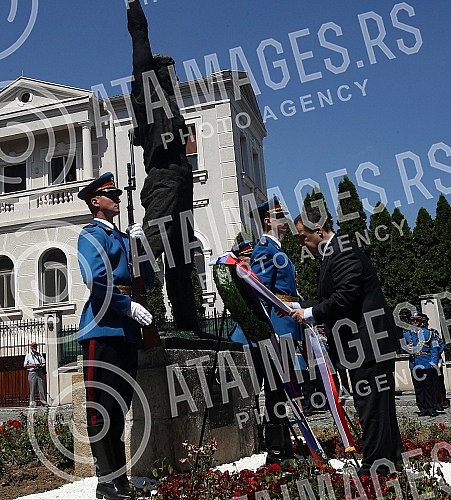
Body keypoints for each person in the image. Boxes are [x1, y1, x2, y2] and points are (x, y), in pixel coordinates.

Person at [290, 206, 403, 477]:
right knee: (380, 406)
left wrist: (307, 313)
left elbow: (344, 298)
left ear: (318, 231)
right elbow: (330, 298)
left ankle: (375, 468)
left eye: (302, 237)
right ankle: (392, 458)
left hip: (368, 342)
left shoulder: (342, 252)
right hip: (366, 343)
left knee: (372, 406)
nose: (301, 244)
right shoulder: (333, 254)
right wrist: (294, 304)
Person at [77, 172, 153, 500]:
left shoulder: (123, 238)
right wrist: (127, 307)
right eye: (111, 193)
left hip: (126, 333)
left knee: (119, 410)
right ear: (96, 201)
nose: (118, 198)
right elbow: (95, 280)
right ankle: (105, 482)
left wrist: (142, 247)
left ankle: (119, 481)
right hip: (103, 329)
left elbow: (146, 279)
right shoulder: (91, 235)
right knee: (101, 409)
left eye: (118, 193)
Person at [126, 0, 199, 333]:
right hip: (164, 178)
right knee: (151, 247)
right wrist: (133, 6)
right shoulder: (148, 97)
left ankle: (187, 322)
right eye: (168, 73)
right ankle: (126, 305)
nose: (173, 78)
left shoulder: (172, 105)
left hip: (182, 179)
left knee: (182, 255)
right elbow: (141, 42)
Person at [250, 197, 311, 464]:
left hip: (286, 325)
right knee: (276, 390)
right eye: (279, 216)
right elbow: (260, 293)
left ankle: (283, 446)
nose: (285, 221)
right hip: (277, 327)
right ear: (267, 221)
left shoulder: (277, 250)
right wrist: (269, 330)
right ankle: (275, 452)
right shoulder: (264, 250)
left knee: (283, 390)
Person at [403, 311, 440, 417]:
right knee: (418, 388)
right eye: (413, 320)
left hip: (426, 362)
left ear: (421, 321)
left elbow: (434, 348)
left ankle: (431, 408)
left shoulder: (429, 333)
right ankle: (422, 408)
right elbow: (402, 345)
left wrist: (433, 362)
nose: (415, 322)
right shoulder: (407, 334)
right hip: (415, 363)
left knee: (429, 387)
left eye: (417, 320)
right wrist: (407, 348)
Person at [24, 341, 48, 407]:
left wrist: (41, 366)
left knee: (41, 387)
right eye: (33, 346)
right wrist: (32, 365)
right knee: (32, 388)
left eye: (35, 346)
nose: (35, 347)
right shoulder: (28, 355)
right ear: (31, 347)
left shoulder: (39, 354)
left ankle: (43, 402)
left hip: (39, 371)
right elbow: (25, 365)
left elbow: (44, 363)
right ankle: (32, 402)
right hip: (32, 372)